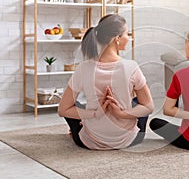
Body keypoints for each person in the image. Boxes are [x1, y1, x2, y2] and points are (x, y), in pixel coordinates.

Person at [58, 14, 154, 150]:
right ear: (117, 39)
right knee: (140, 102)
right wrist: (122, 114)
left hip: (90, 141)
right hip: (128, 140)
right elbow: (149, 107)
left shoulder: (83, 68)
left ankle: (77, 129)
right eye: (127, 33)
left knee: (74, 105)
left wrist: (95, 113)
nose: (129, 37)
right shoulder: (132, 67)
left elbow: (63, 110)